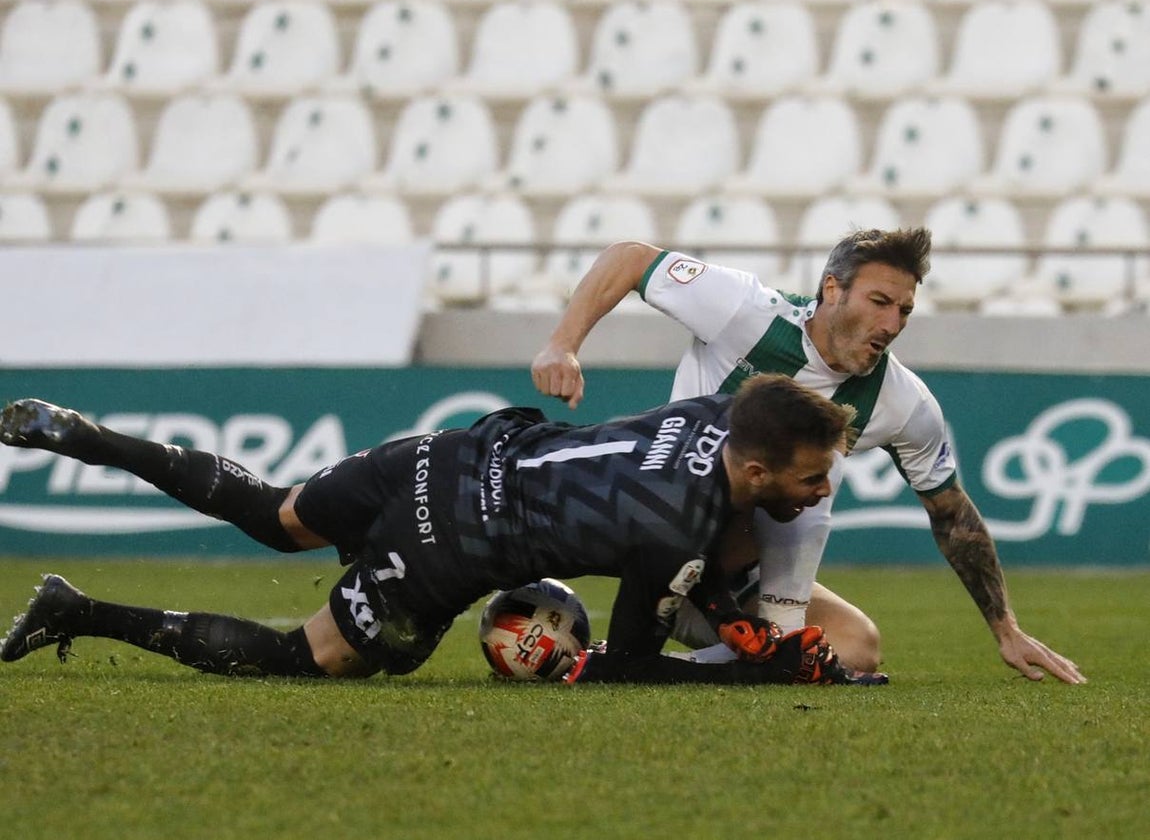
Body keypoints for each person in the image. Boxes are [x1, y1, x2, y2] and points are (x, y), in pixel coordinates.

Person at [0, 377, 885, 685]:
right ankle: (75, 610)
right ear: (758, 469)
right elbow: (625, 665)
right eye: (812, 479)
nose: (821, 494)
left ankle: (84, 435)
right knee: (304, 659)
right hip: (451, 542)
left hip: (447, 455)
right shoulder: (675, 536)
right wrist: (753, 674)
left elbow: (746, 456)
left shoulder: (720, 412)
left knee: (275, 514)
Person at [531, 229, 1085, 684]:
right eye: (879, 302)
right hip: (655, 531)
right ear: (831, 289)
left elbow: (951, 513)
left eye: (905, 311)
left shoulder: (904, 403)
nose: (891, 325)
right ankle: (751, 651)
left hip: (732, 578)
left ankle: (671, 662)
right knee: (816, 462)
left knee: (857, 645)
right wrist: (563, 344)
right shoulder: (746, 314)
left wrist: (1006, 628)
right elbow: (629, 258)